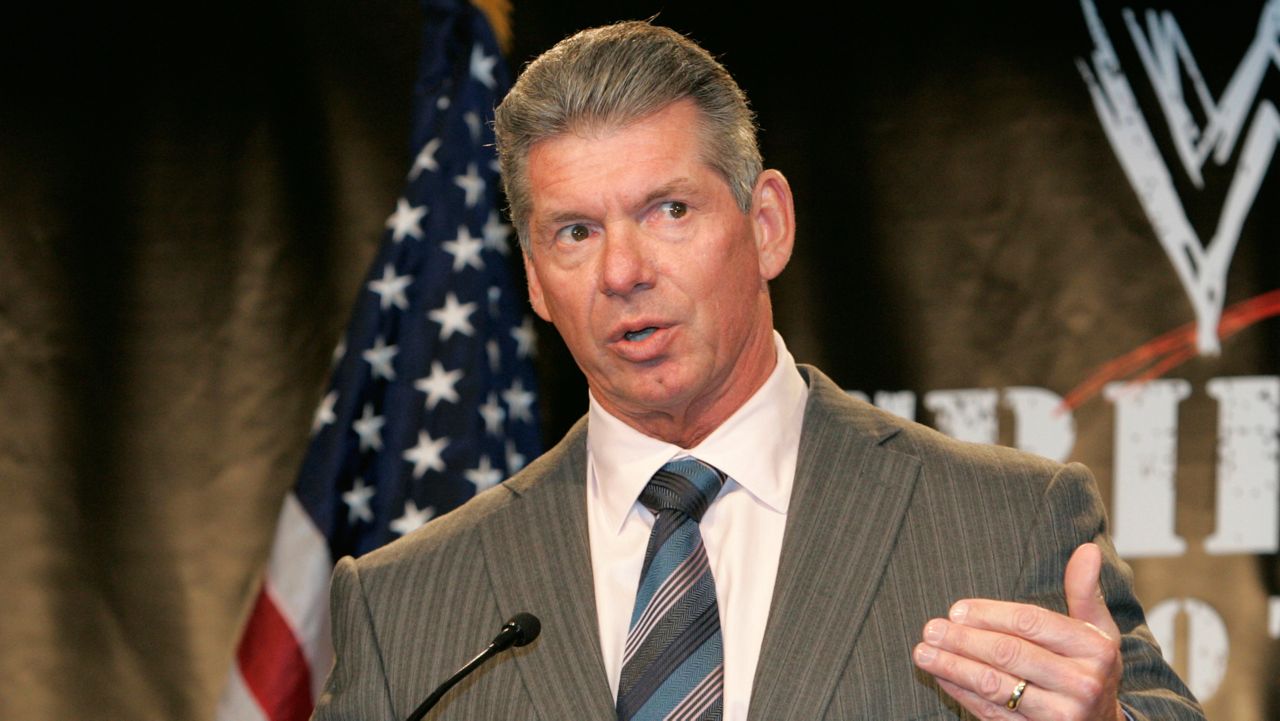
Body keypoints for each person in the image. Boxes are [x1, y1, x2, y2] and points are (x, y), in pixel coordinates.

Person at [313, 21, 1203, 721]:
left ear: (767, 223)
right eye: (575, 232)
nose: (622, 272)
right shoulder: (405, 607)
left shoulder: (1005, 525)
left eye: (669, 210)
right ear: (536, 280)